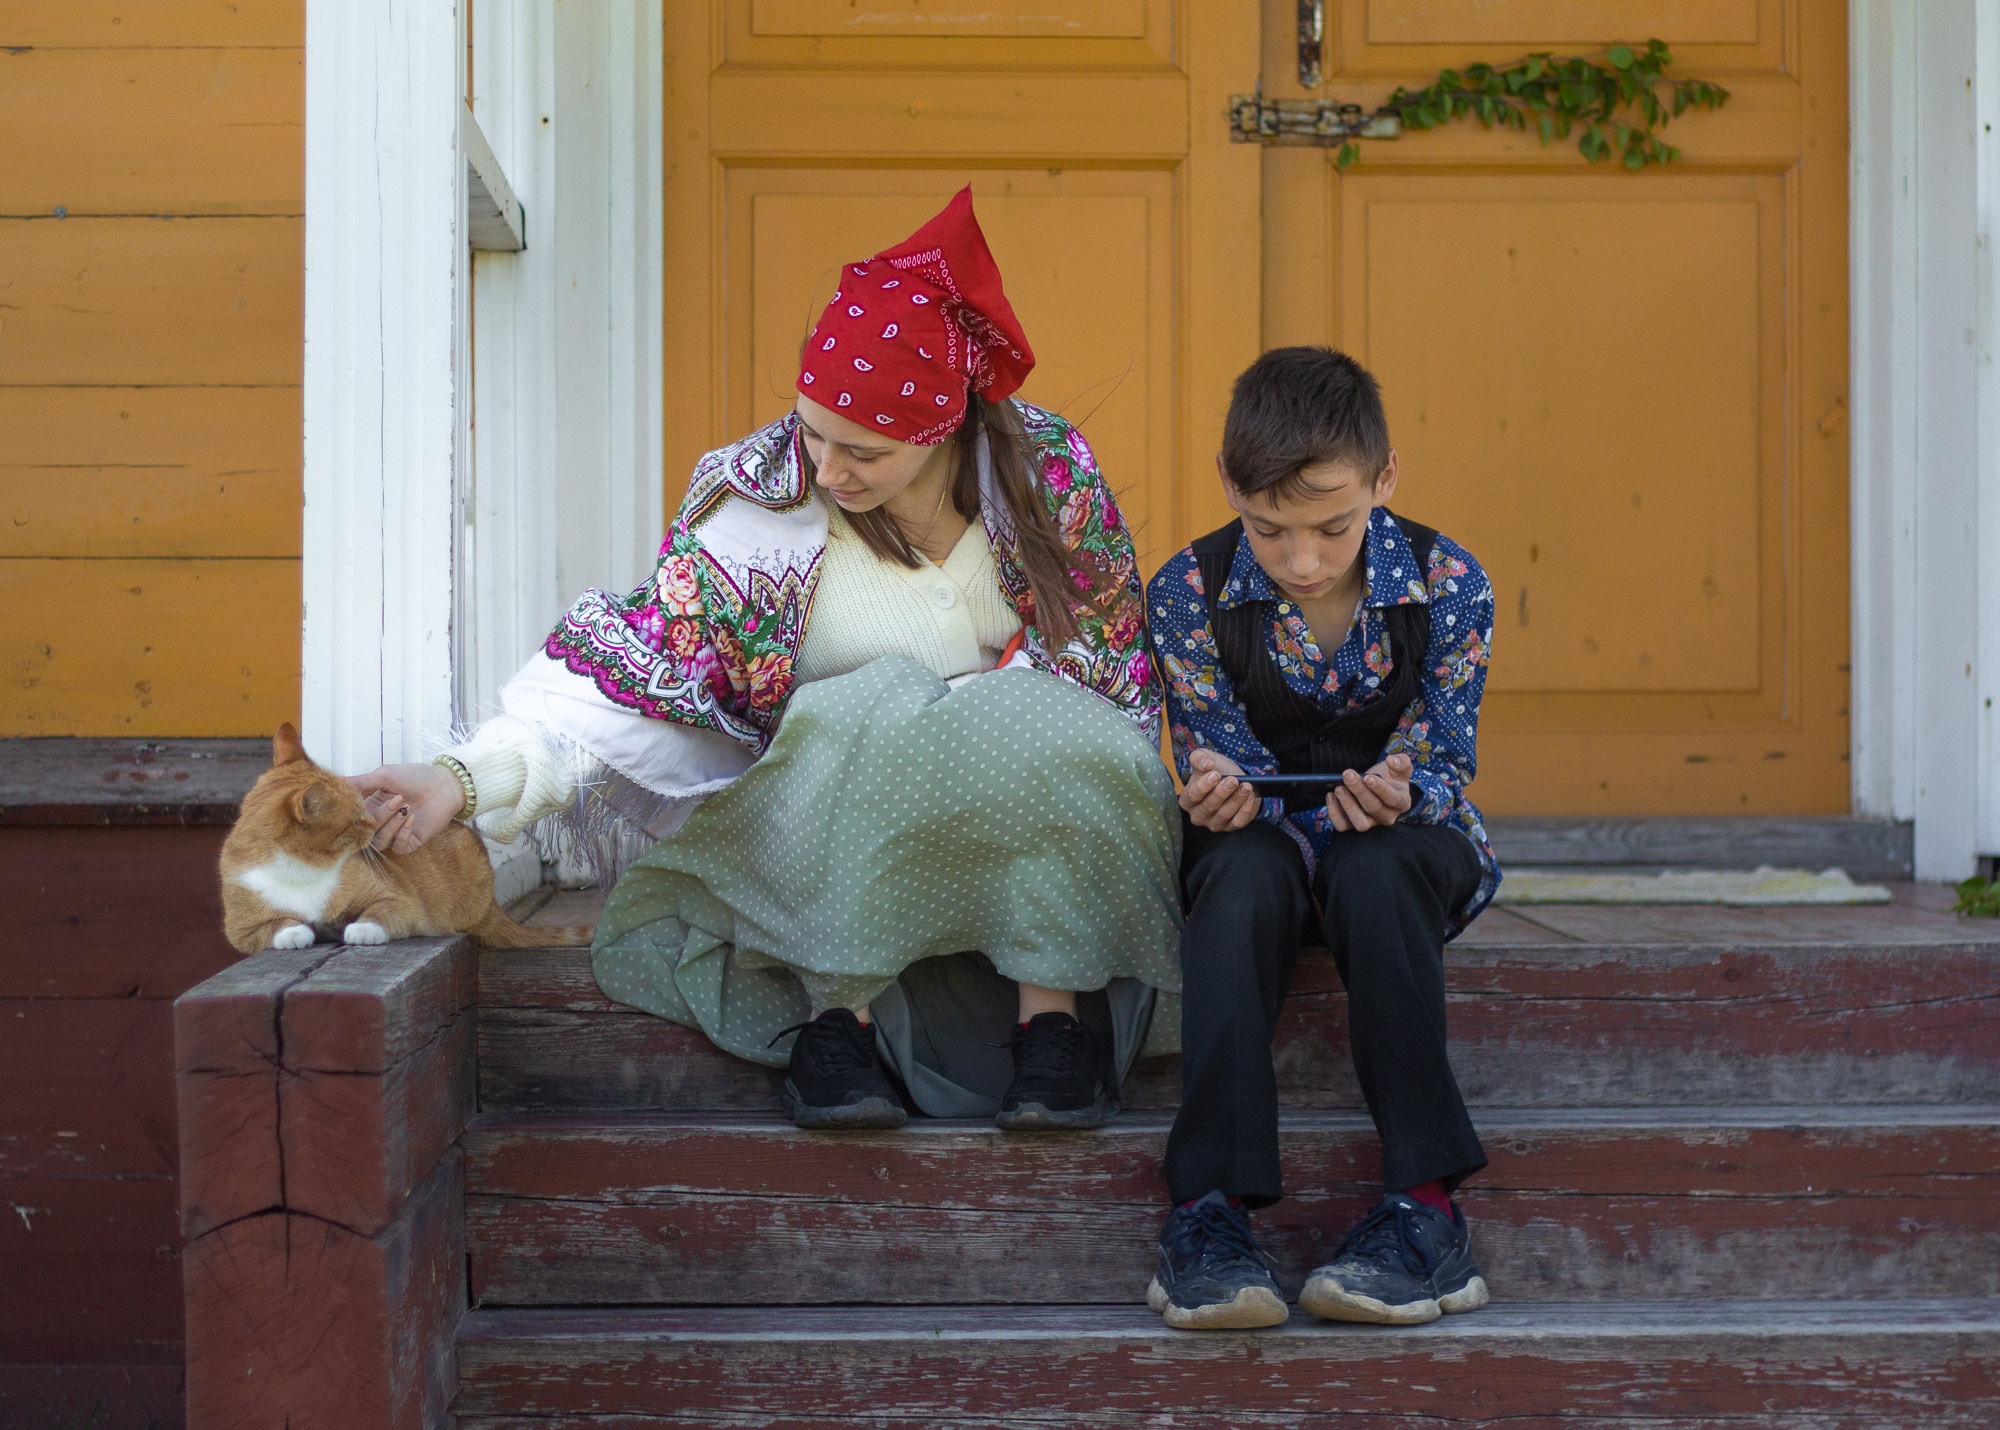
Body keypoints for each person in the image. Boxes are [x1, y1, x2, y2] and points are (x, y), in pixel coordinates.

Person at [354, 189, 1181, 1131]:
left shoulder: (1048, 475)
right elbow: (643, 671)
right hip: (836, 834)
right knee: (862, 701)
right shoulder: (757, 507)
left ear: (942, 426)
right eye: (811, 431)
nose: (825, 470)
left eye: (862, 451)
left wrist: (972, 713)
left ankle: (1054, 1025)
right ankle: (839, 1021)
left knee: (1030, 708)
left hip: (1024, 828)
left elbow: (1109, 670)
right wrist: (463, 779)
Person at [1142, 346, 1501, 1330]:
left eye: (1333, 527)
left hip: (1400, 850)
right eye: (1270, 530)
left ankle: (1425, 1211)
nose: (1302, 560)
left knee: (1375, 869)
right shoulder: (1185, 591)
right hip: (1258, 848)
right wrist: (1218, 791)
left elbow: (1444, 759)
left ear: (1385, 478)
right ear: (1228, 484)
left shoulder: (1449, 580)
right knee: (1237, 877)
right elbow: (1210, 745)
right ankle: (1208, 1214)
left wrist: (1401, 790)